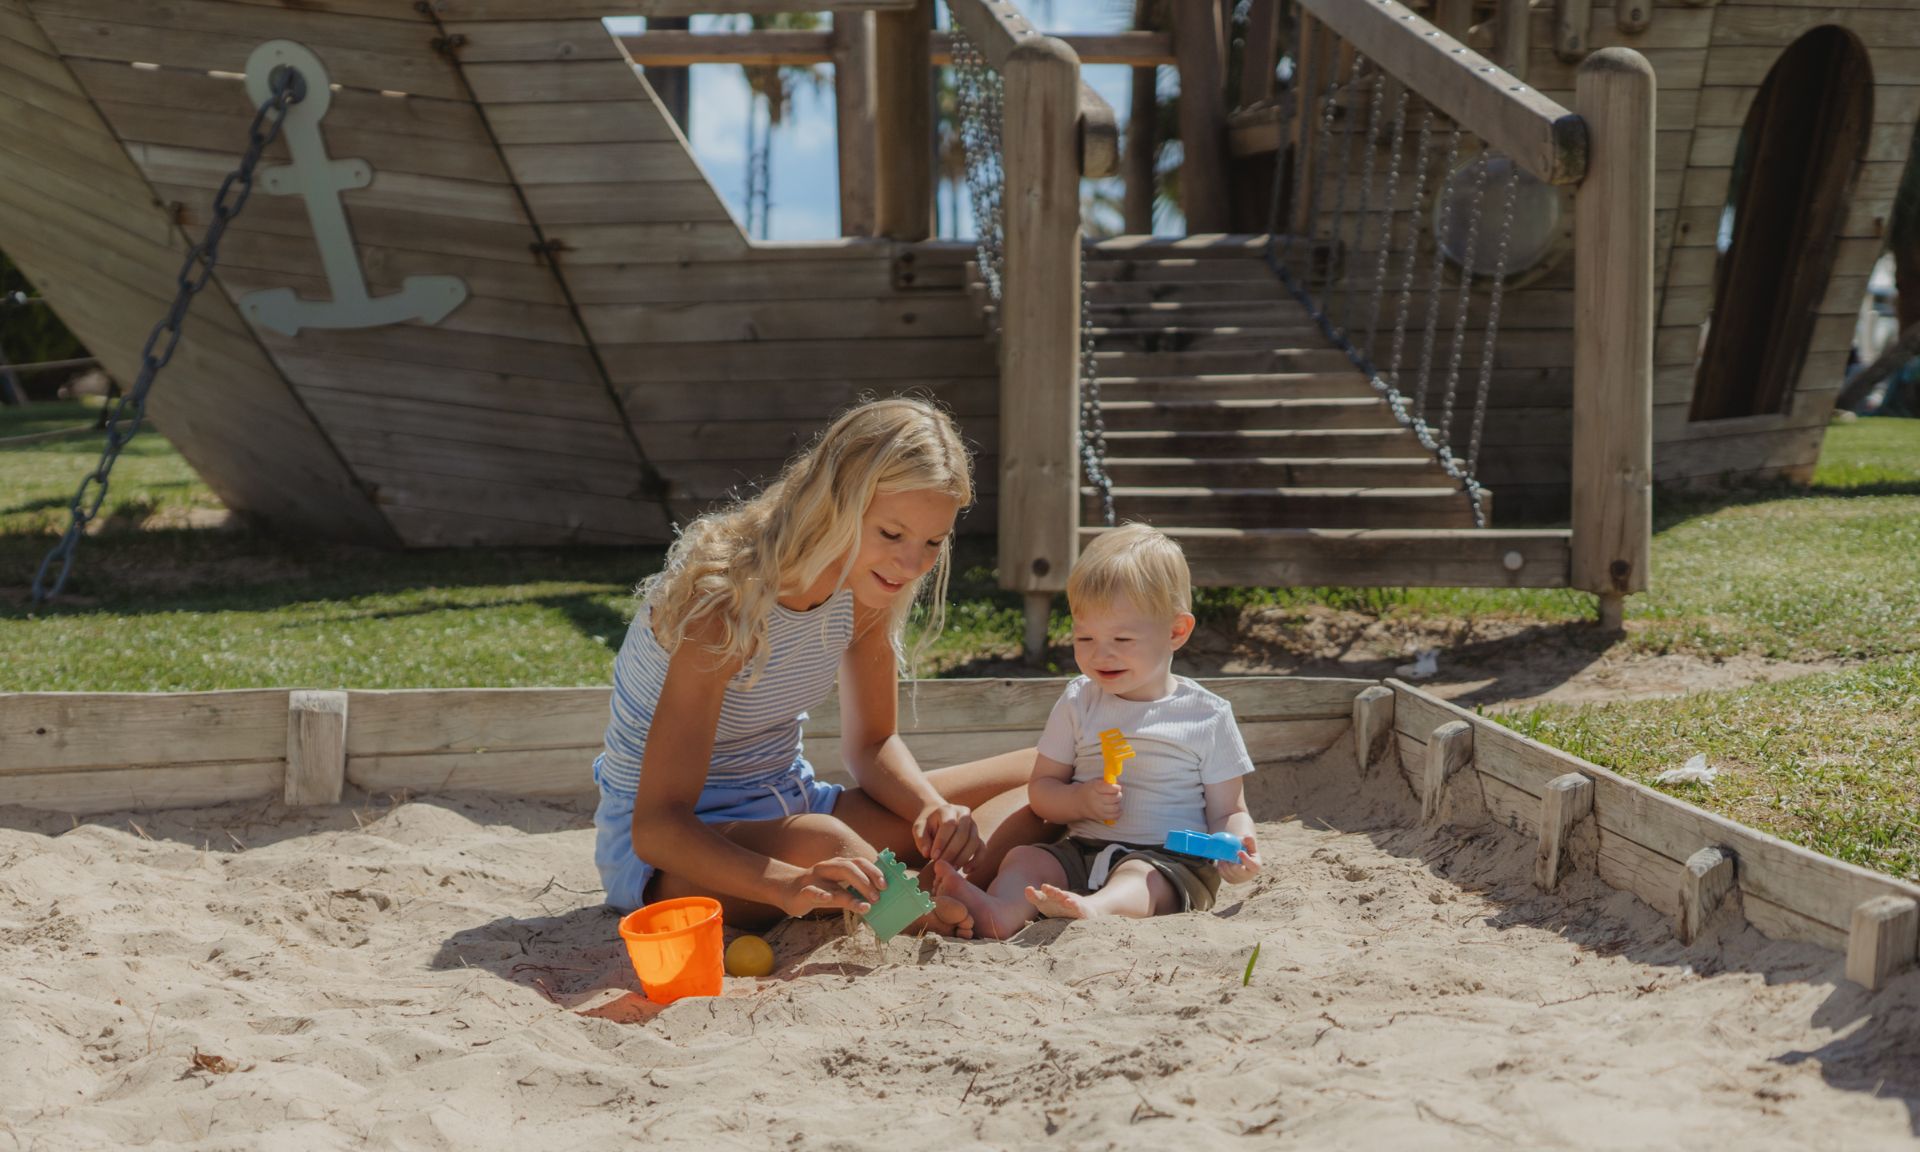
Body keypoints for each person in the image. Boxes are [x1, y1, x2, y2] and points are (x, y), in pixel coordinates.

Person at [592, 398, 1037, 932]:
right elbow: (659, 828)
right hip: (677, 853)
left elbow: (872, 746)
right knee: (829, 843)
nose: (913, 563)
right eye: (892, 535)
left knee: (1041, 772)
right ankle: (916, 905)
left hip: (792, 801)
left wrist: (930, 807)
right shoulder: (724, 604)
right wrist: (785, 885)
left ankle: (924, 892)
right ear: (837, 503)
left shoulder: (867, 588)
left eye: (933, 542)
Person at [935, 523, 1262, 939]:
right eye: (1084, 636)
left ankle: (1094, 909)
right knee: (1026, 860)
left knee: (1139, 877)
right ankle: (1000, 912)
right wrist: (1079, 800)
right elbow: (1042, 791)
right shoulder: (1079, 701)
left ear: (1176, 631)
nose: (1099, 653)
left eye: (1122, 638)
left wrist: (1237, 847)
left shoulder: (1206, 715)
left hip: (1172, 859)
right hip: (1083, 850)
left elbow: (1230, 810)